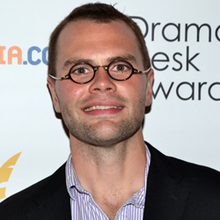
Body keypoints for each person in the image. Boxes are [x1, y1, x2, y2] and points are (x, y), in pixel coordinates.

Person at [1, 3, 220, 220]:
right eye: (81, 70)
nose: (103, 83)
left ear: (148, 87)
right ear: (55, 95)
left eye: (120, 67)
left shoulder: (214, 199)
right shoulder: (12, 215)